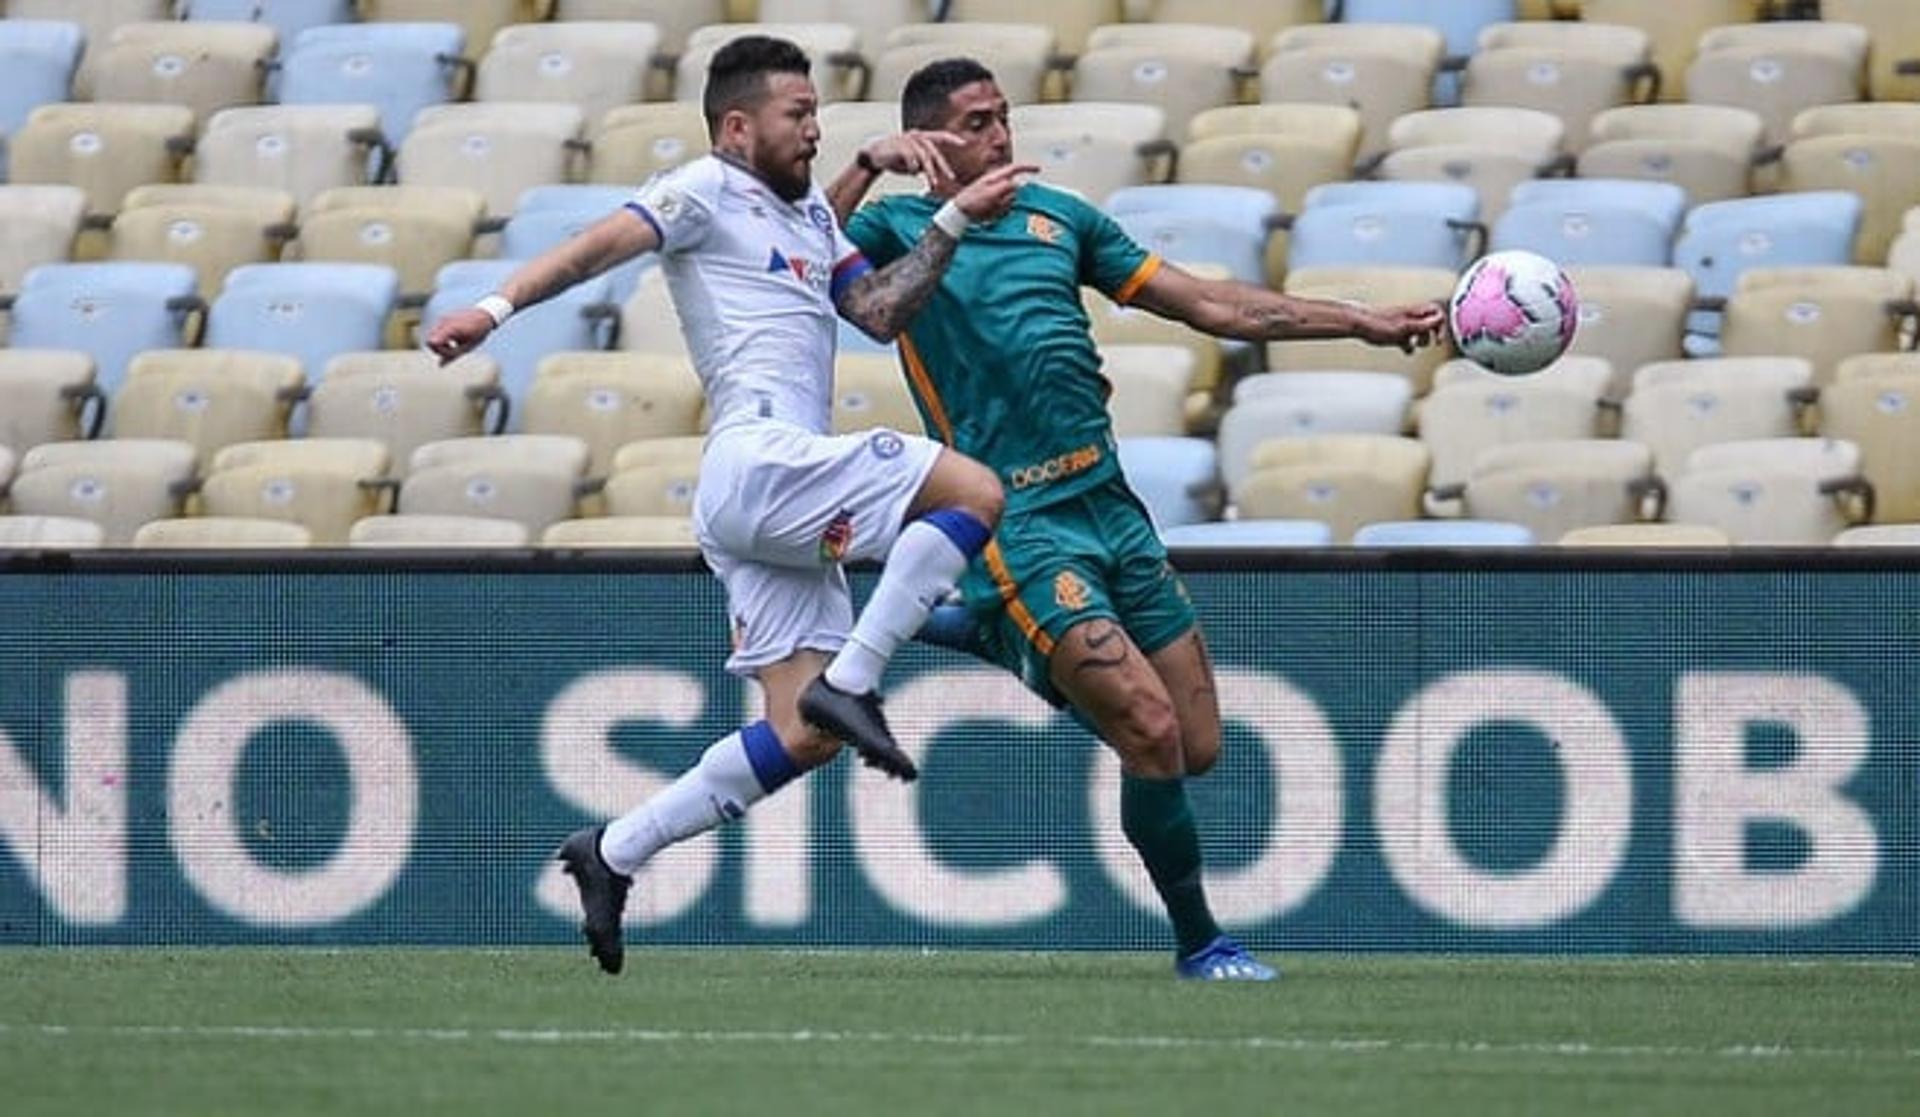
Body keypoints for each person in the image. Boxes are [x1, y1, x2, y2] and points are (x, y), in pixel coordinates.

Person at [827, 59, 1447, 981]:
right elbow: (808, 252)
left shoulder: (1062, 220)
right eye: (976, 122)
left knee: (1196, 748)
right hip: (1016, 520)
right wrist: (866, 163)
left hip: (1110, 506)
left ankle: (993, 635)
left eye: (1004, 116)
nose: (1001, 135)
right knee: (1149, 732)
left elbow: (1209, 303)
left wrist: (1356, 323)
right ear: (932, 142)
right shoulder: (897, 226)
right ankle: (1201, 942)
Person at [427, 37, 1034, 975]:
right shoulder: (702, 190)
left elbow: (874, 312)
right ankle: (860, 678)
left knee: (803, 735)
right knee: (972, 489)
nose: (815, 127)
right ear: (739, 125)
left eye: (819, 114)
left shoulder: (808, 221)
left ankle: (614, 850)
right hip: (762, 456)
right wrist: (493, 310)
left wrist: (909, 197)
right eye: (799, 114)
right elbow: (599, 246)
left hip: (758, 494)